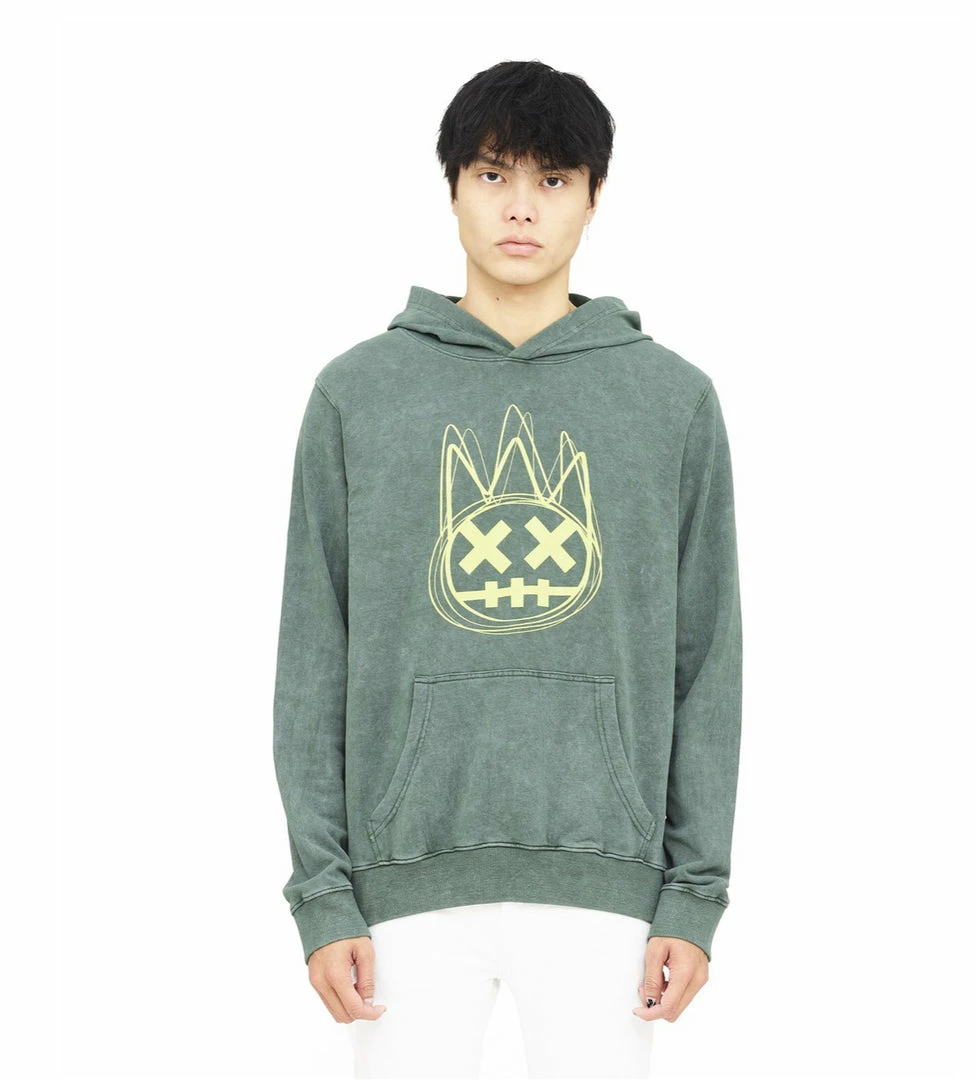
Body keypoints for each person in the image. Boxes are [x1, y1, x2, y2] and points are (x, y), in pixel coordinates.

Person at [272, 59, 743, 1079]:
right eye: (492, 175)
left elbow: (707, 662)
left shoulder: (671, 401)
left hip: (607, 884)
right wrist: (323, 894)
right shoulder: (359, 394)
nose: (521, 208)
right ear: (451, 189)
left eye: (553, 179)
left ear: (594, 196)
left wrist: (693, 894)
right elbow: (314, 655)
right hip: (398, 886)